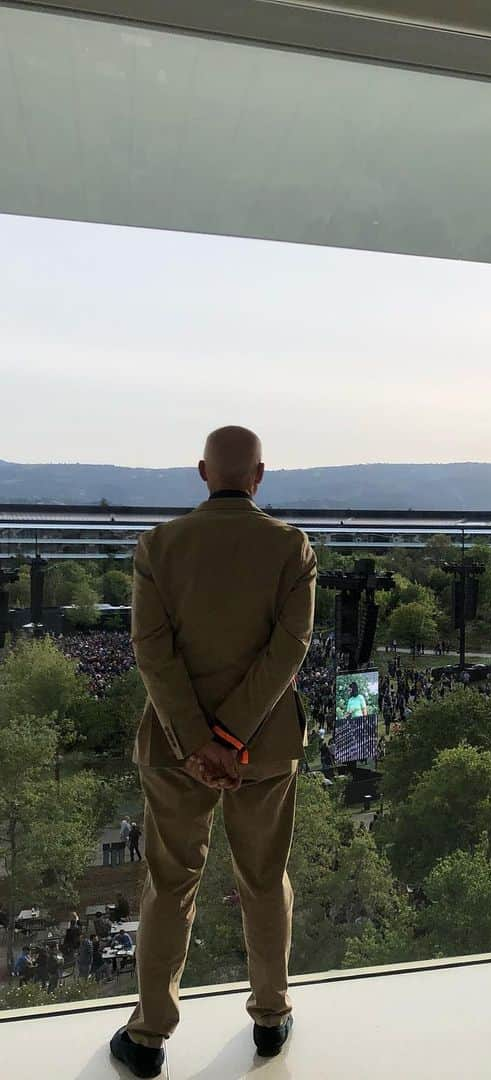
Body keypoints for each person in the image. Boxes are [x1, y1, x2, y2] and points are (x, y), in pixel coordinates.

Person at [110, 427, 317, 1080]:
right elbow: (289, 649)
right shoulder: (291, 548)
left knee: (170, 886)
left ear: (203, 472)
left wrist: (198, 740)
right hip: (266, 749)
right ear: (261, 475)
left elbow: (153, 652)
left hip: (175, 754)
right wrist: (232, 737)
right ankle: (270, 1017)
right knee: (263, 880)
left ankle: (148, 1036)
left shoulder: (158, 547)